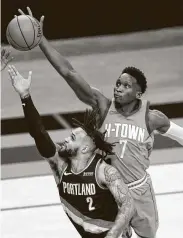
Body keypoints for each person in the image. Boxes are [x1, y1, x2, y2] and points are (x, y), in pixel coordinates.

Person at [16, 8, 183, 238]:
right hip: (108, 190)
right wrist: (41, 40)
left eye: (126, 85)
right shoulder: (103, 107)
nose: (118, 87)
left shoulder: (151, 117)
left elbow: (180, 135)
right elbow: (69, 72)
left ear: (138, 93)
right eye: (117, 83)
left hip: (139, 188)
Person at [7, 64, 135, 238]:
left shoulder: (104, 172)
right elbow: (39, 134)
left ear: (85, 148)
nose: (66, 139)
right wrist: (25, 96)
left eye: (73, 138)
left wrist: (113, 234)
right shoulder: (60, 166)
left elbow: (127, 204)